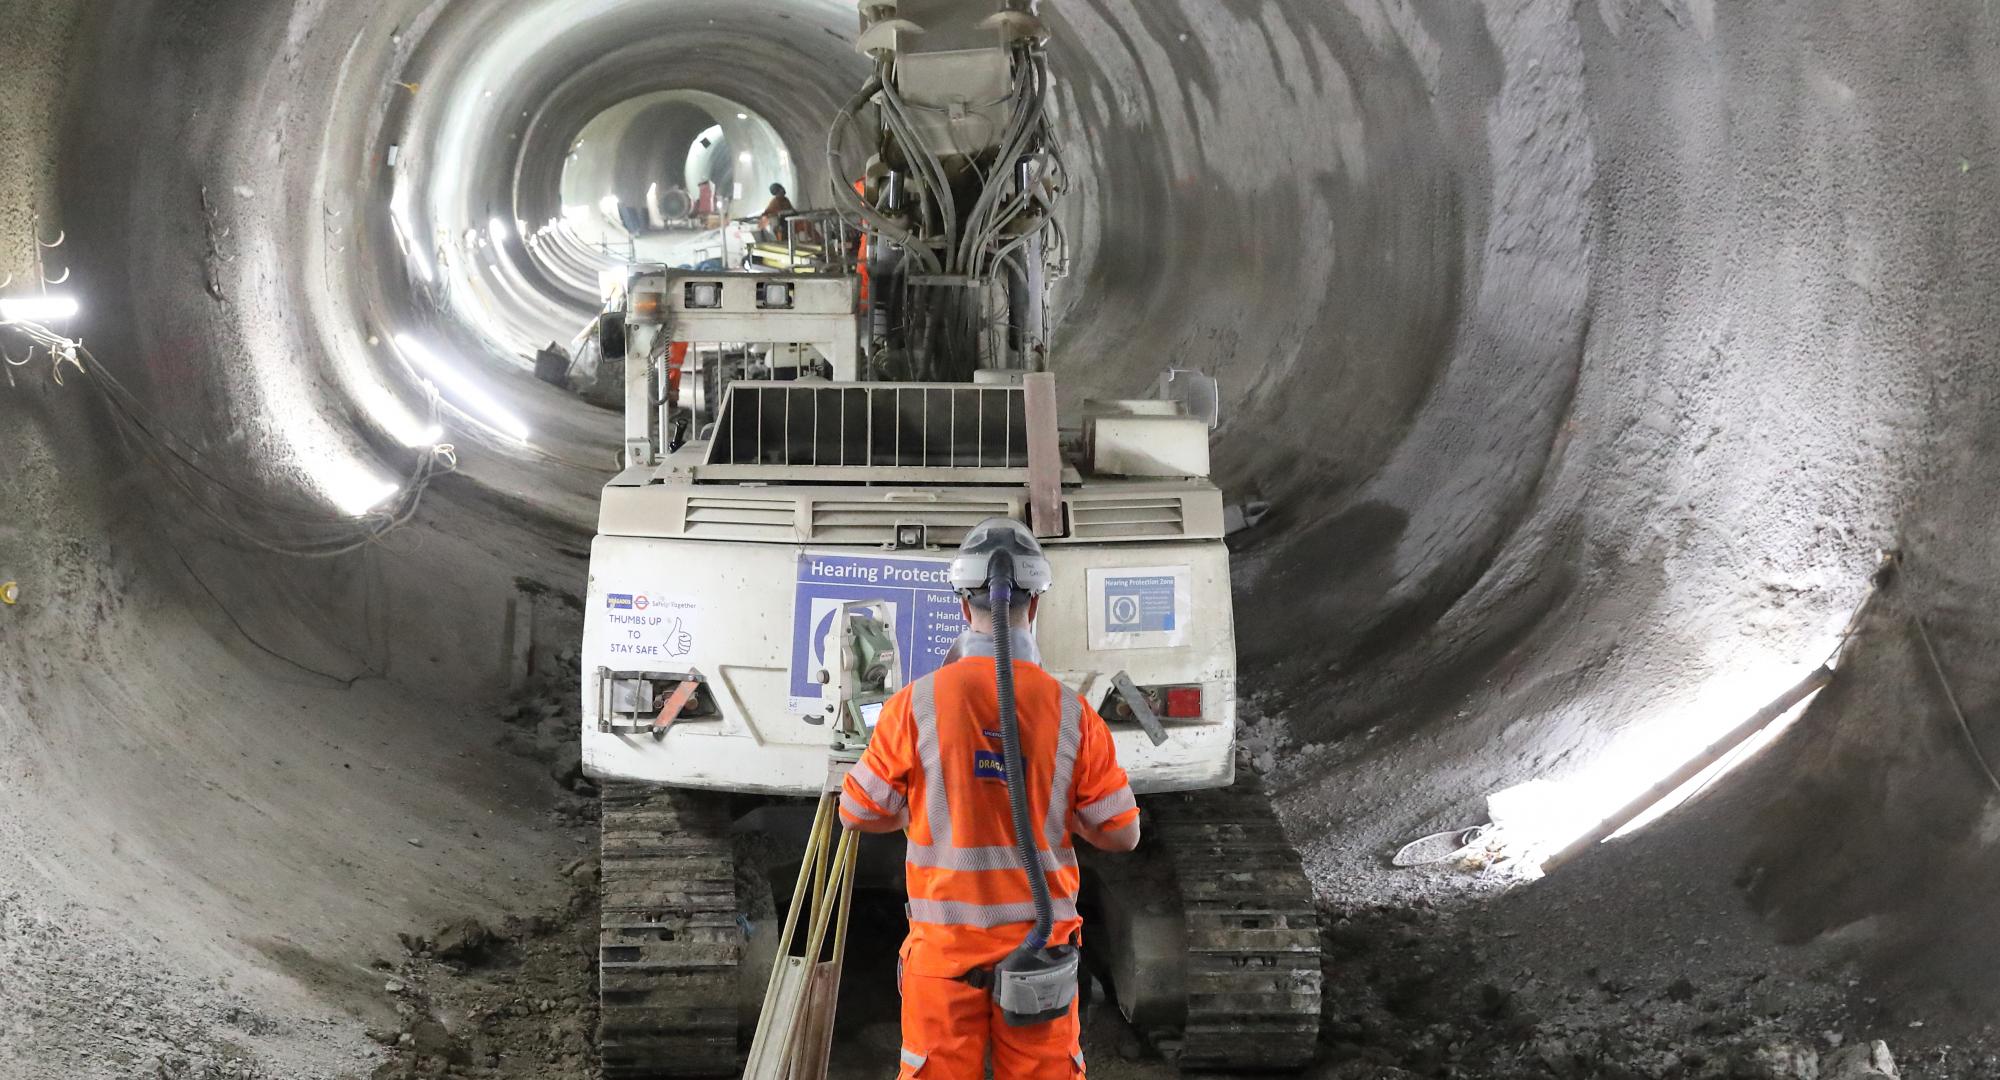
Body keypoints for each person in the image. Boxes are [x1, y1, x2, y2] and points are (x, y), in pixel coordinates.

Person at [840, 519, 1141, 1080]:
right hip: (1040, 954)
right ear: (1034, 607)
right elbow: (1122, 833)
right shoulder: (1073, 714)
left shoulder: (916, 704)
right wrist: (1057, 808)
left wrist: (923, 806)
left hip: (946, 956)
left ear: (962, 606)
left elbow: (857, 812)